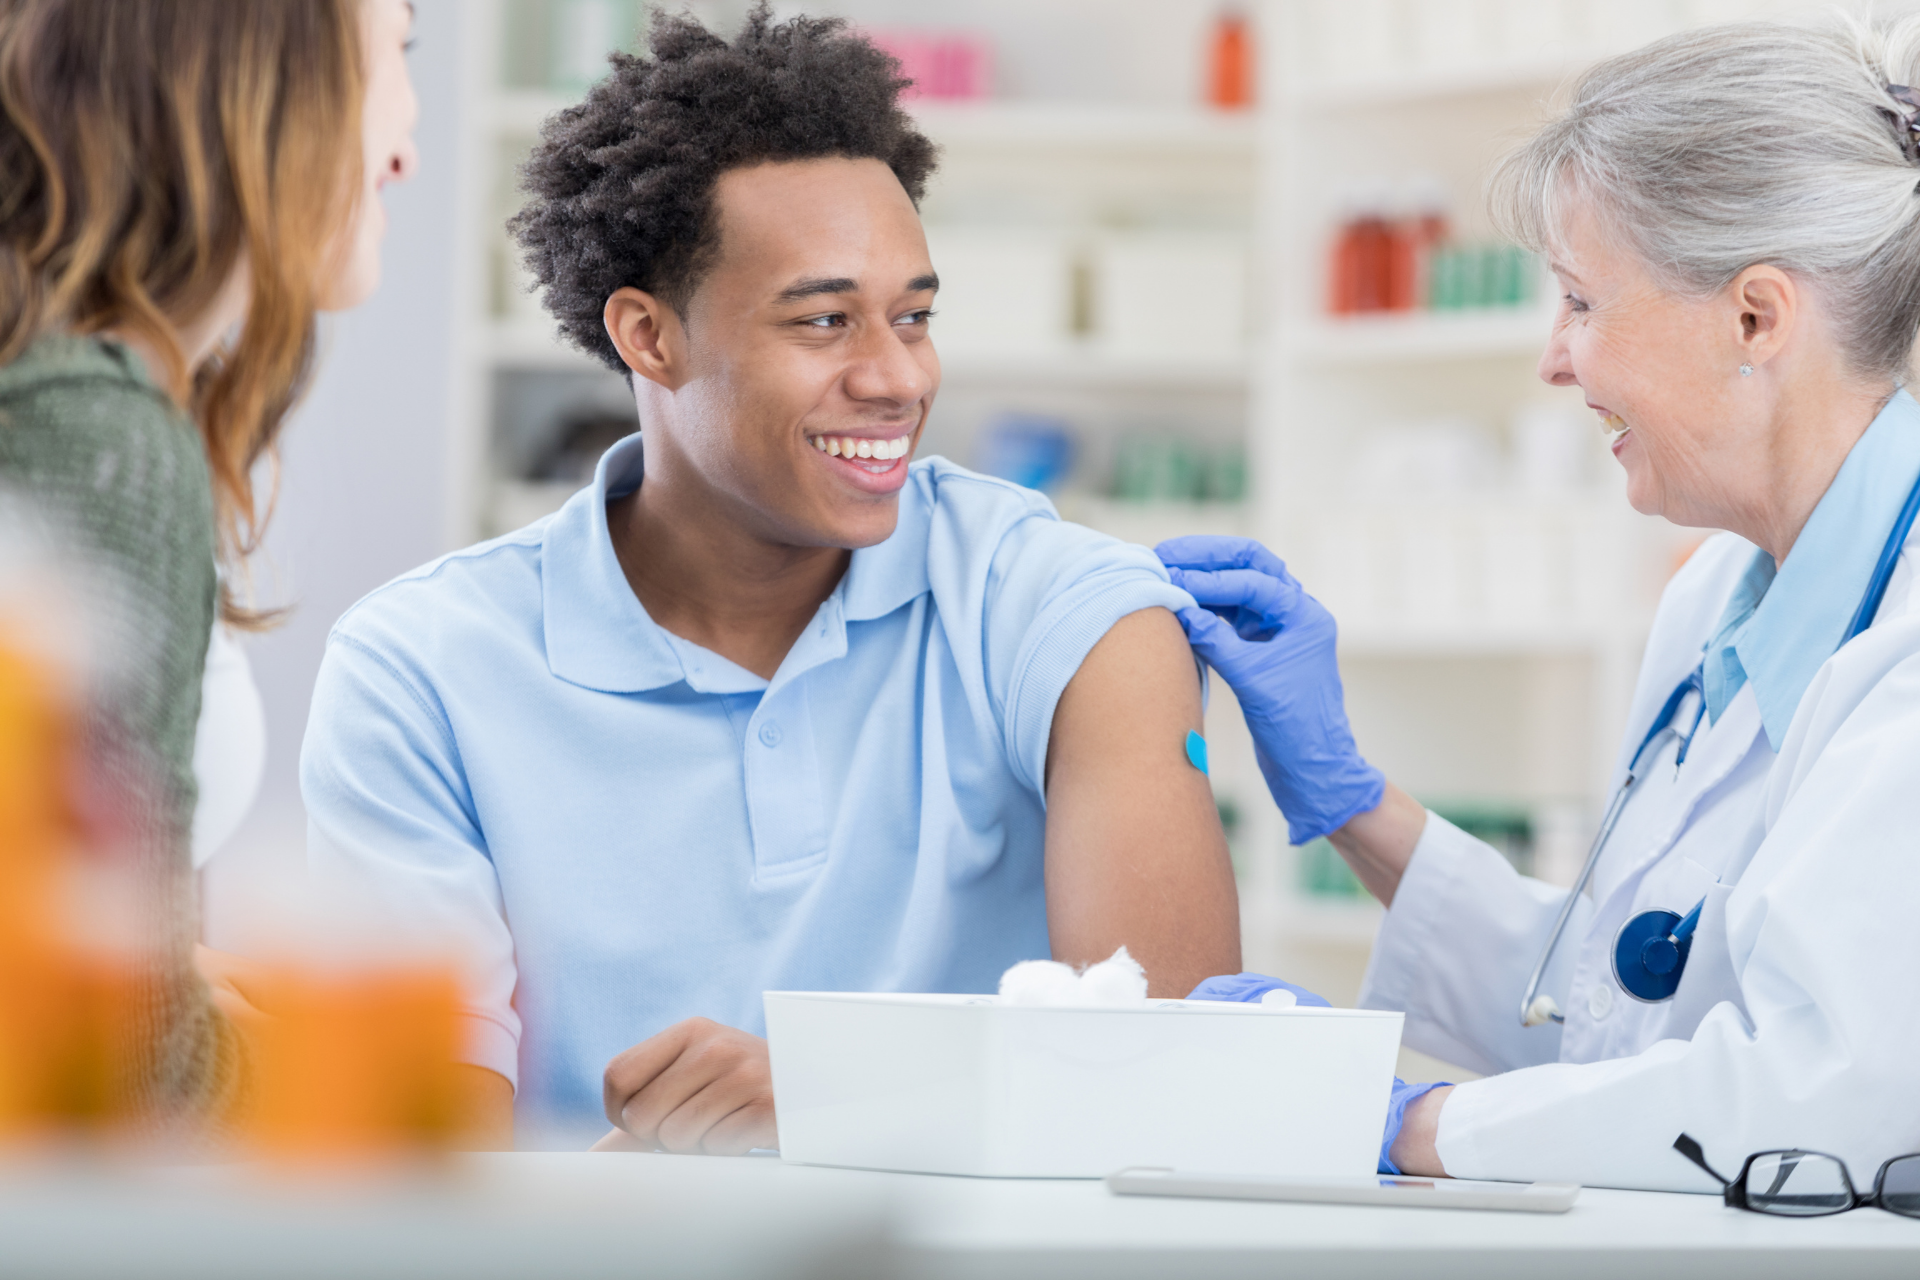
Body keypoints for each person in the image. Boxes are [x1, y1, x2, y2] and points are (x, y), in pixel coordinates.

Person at [300, 6, 1239, 1153]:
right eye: (826, 320)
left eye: (915, 316)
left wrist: (843, 1107)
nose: (896, 377)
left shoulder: (1066, 615)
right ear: (650, 337)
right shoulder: (421, 668)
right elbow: (422, 1169)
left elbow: (1184, 1086)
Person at [1169, 12, 1920, 1192]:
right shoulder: (1719, 598)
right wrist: (1353, 800)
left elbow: (1830, 1097)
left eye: (1580, 300)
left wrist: (1404, 1122)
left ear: (1756, 317)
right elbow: (1622, 1005)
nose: (1553, 359)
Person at [0, 0, 422, 1138]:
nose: (410, 142)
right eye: (402, 55)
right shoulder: (97, 434)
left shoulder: (72, 401)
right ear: (266, 73)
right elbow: (115, 1048)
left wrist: (177, 980)